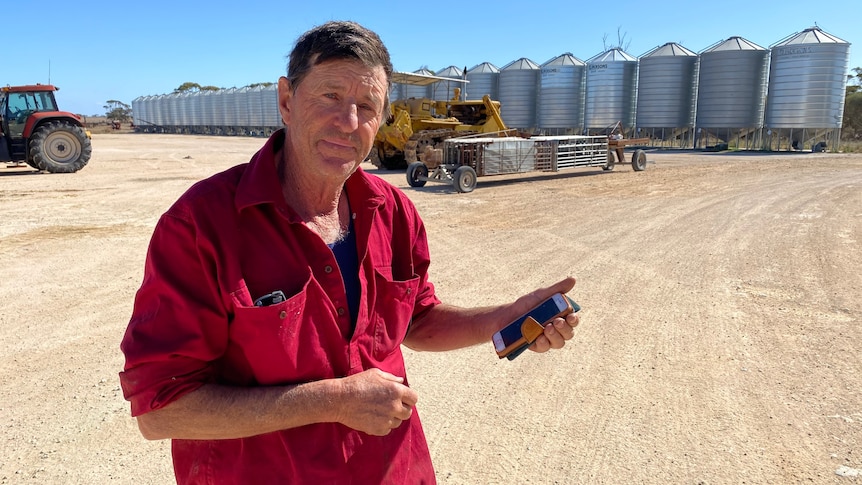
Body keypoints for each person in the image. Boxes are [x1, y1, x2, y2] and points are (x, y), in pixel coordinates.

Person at [119, 20, 580, 484]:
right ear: (286, 101)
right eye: (331, 97)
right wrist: (335, 400)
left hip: (393, 469)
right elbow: (161, 411)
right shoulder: (200, 226)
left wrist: (506, 316)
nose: (349, 122)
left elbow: (417, 321)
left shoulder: (392, 211)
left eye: (367, 106)